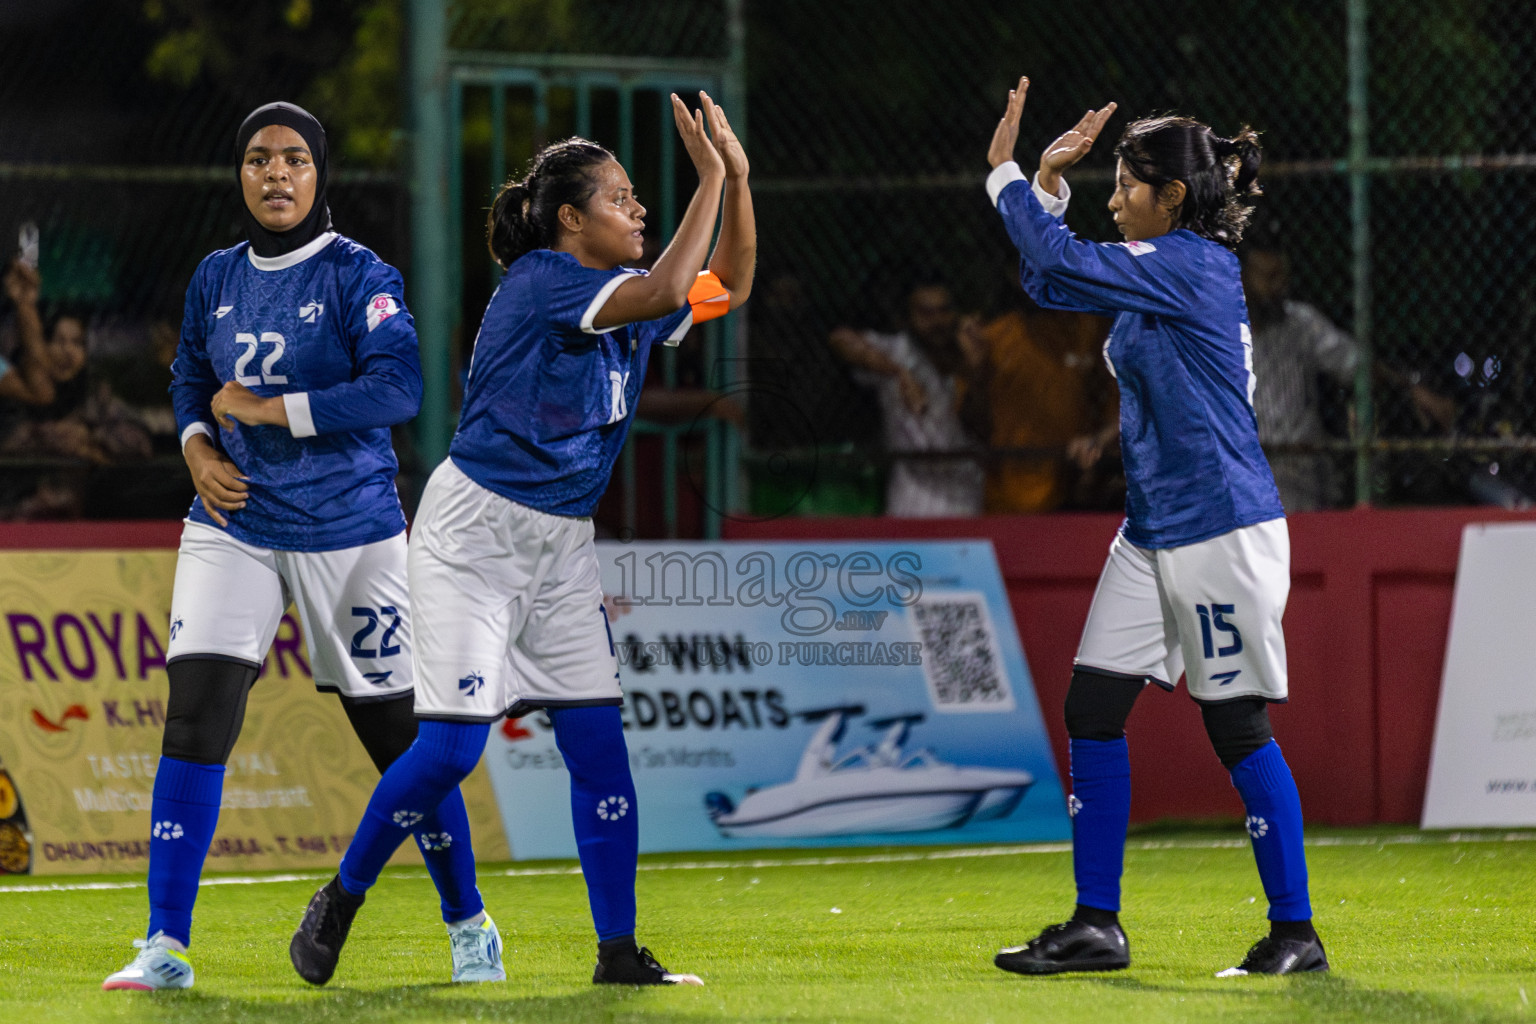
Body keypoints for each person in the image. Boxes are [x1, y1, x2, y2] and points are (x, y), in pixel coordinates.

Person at [288, 91, 753, 988]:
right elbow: (666, 282)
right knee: (454, 749)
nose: (639, 210)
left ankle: (617, 953)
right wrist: (704, 180)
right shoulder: (544, 281)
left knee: (597, 747)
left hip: (560, 545)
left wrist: (734, 178)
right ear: (570, 221)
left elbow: (725, 280)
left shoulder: (625, 303)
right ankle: (341, 897)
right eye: (621, 199)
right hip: (474, 536)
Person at [103, 102, 495, 992]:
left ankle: (469, 922)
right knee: (196, 716)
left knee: (401, 743)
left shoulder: (361, 274)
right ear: (239, 175)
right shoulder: (215, 275)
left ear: (319, 174)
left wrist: (271, 411)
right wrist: (198, 446)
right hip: (232, 525)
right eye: (256, 159)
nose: (274, 174)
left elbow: (400, 389)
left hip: (349, 532)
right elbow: (191, 378)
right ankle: (165, 945)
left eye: (291, 159)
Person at [984, 78, 1326, 977]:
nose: (1115, 194)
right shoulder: (1161, 267)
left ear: (1172, 197)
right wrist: (1048, 189)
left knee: (1236, 727)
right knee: (1091, 709)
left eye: (1127, 182)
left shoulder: (1193, 266)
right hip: (1153, 528)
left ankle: (1296, 935)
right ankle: (1097, 925)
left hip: (1218, 529)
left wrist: (1007, 176)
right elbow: (1047, 276)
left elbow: (1055, 265)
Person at [827, 276, 985, 516]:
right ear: (908, 317)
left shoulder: (971, 353)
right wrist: (900, 373)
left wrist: (975, 370)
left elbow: (982, 424)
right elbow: (840, 339)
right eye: (926, 313)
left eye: (943, 311)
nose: (937, 322)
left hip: (967, 495)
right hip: (914, 497)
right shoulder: (899, 351)